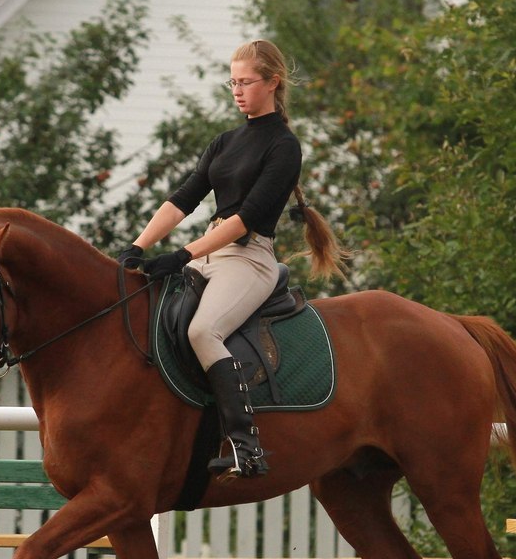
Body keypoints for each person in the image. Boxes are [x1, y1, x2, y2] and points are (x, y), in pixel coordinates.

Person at [116, 38, 347, 481]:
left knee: (204, 331)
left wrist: (182, 253)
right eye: (232, 82)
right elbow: (183, 200)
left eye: (246, 82)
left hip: (248, 259)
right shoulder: (225, 142)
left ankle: (246, 446)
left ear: (273, 83)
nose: (237, 90)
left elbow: (245, 219)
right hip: (210, 253)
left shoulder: (284, 146)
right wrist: (139, 246)